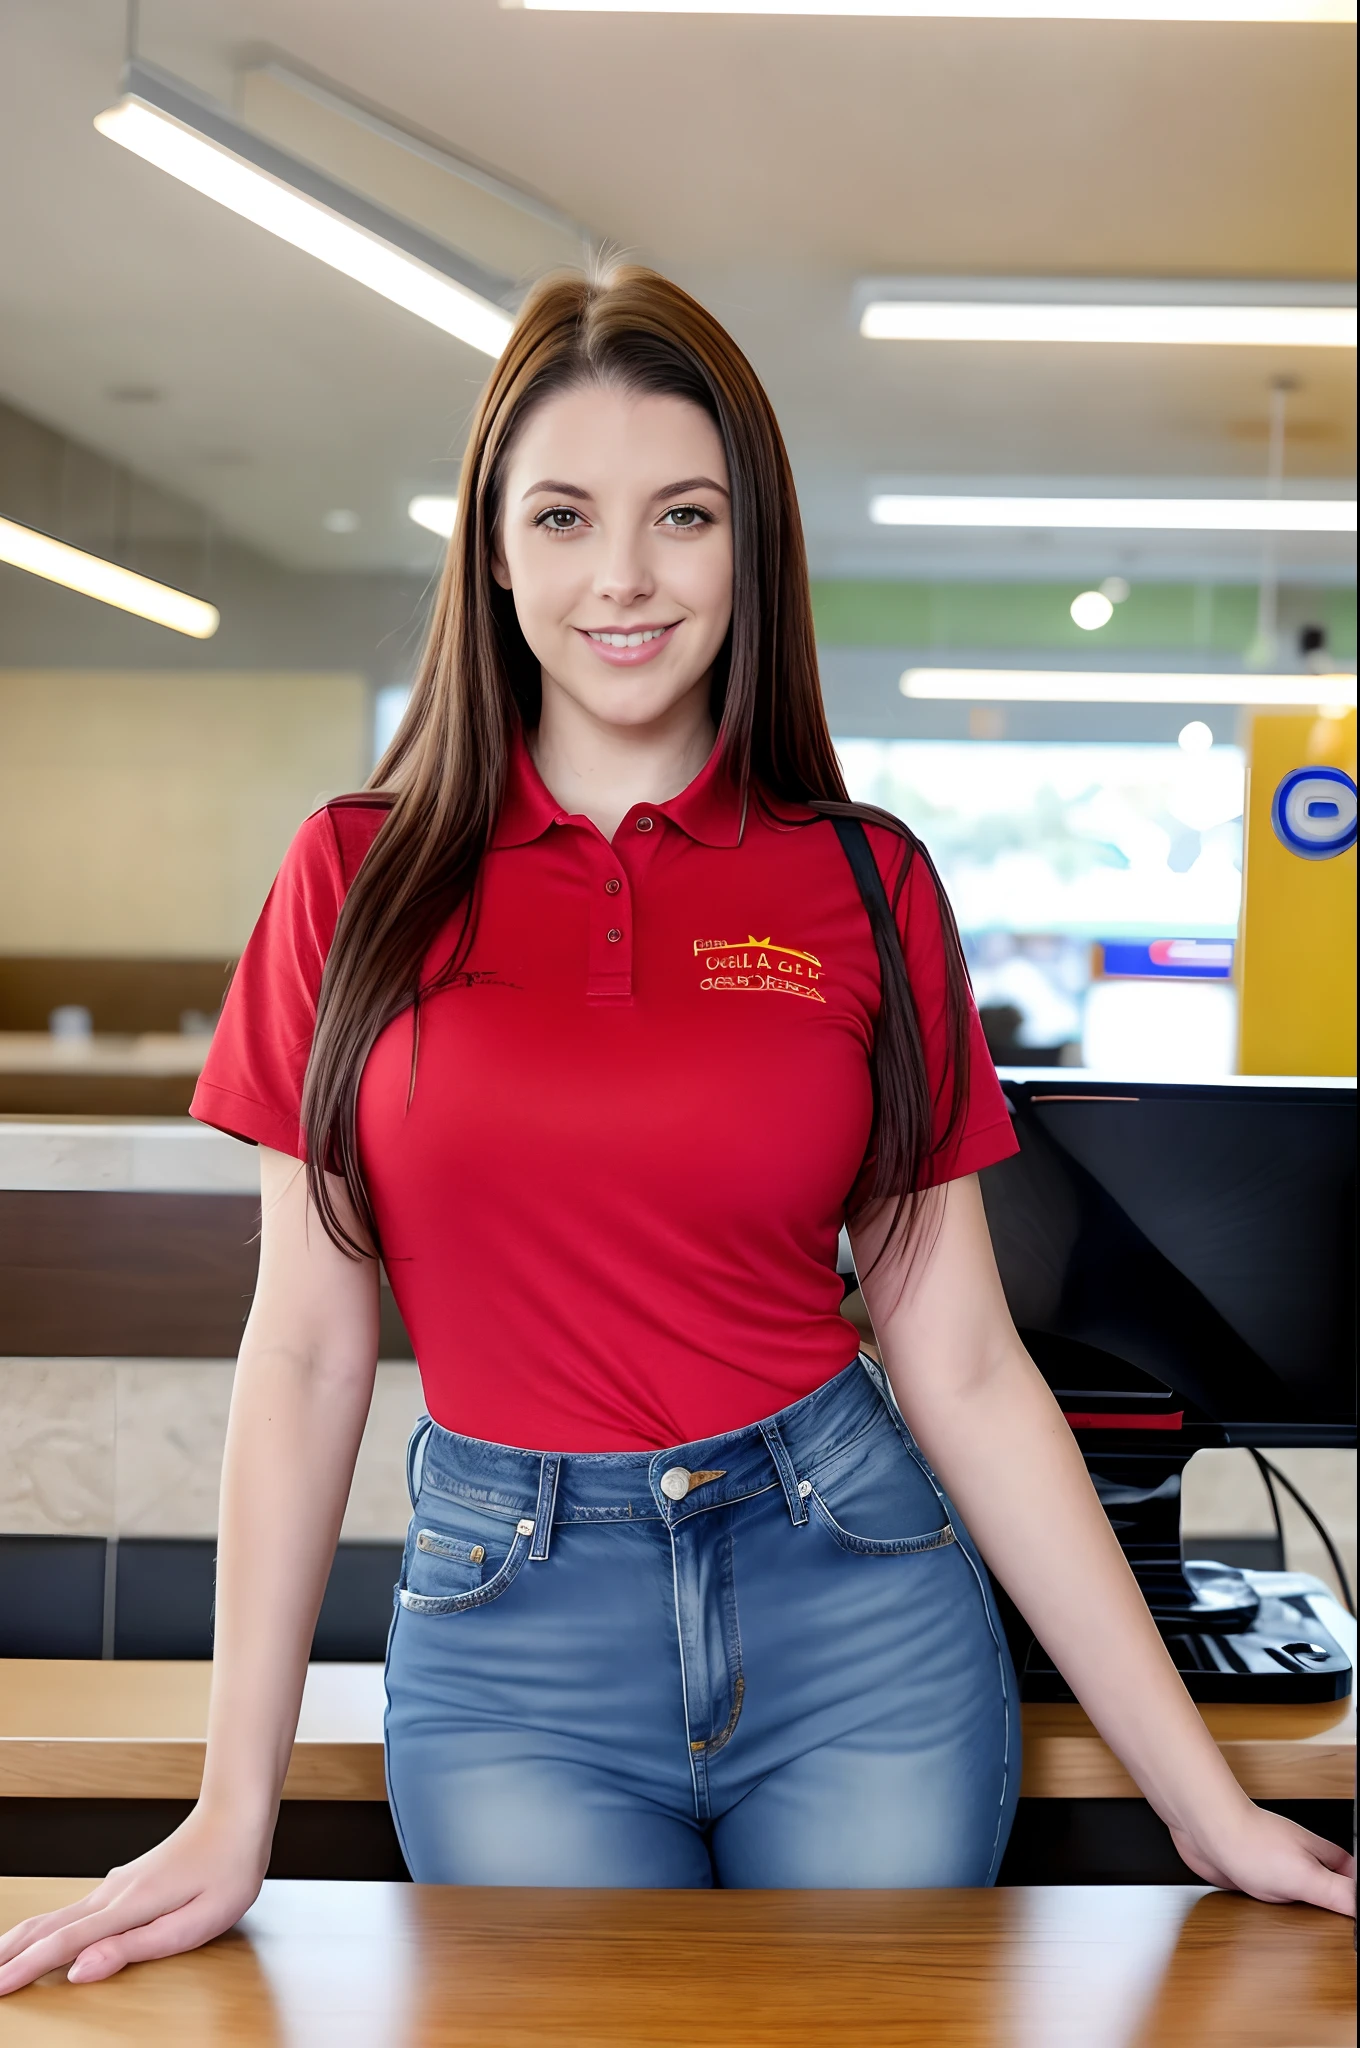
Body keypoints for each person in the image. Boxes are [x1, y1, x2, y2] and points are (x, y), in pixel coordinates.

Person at [1, 267, 1351, 1996]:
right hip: (513, 1633)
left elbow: (966, 1369)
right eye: (562, 516)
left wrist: (1205, 1804)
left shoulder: (871, 881)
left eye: (682, 515)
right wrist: (227, 1802)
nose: (621, 575)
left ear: (749, 547)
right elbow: (310, 1353)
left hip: (854, 1589)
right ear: (493, 552)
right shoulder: (352, 878)